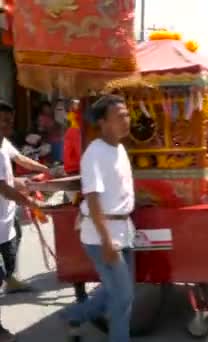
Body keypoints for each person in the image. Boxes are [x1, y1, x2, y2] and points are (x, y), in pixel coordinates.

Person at [61, 95, 135, 342]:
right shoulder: (94, 153)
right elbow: (92, 201)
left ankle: (74, 315)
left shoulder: (120, 148)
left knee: (113, 292)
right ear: (103, 122)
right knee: (123, 297)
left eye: (127, 115)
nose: (127, 120)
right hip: (103, 235)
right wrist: (106, 242)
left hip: (124, 231)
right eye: (120, 116)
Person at [0, 101, 42, 342]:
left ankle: (11, 280)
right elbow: (4, 188)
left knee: (9, 261)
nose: (9, 123)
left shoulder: (4, 143)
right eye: (3, 119)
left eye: (10, 119)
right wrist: (31, 203)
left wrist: (46, 171)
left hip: (6, 223)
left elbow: (18, 165)